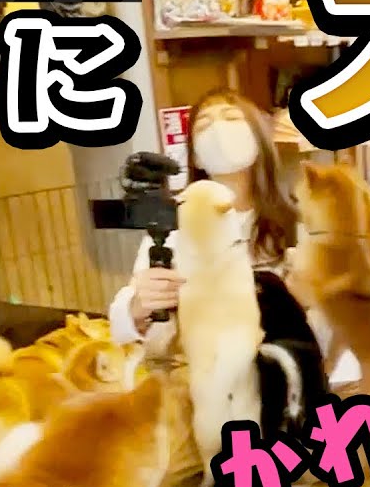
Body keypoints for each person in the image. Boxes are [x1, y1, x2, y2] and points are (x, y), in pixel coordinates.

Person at [107, 88, 298, 354]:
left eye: (231, 118)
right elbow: (120, 325)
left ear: (259, 139)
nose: (219, 130)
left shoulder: (295, 219)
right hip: (199, 365)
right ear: (195, 156)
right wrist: (139, 305)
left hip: (279, 362)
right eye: (204, 125)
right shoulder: (172, 220)